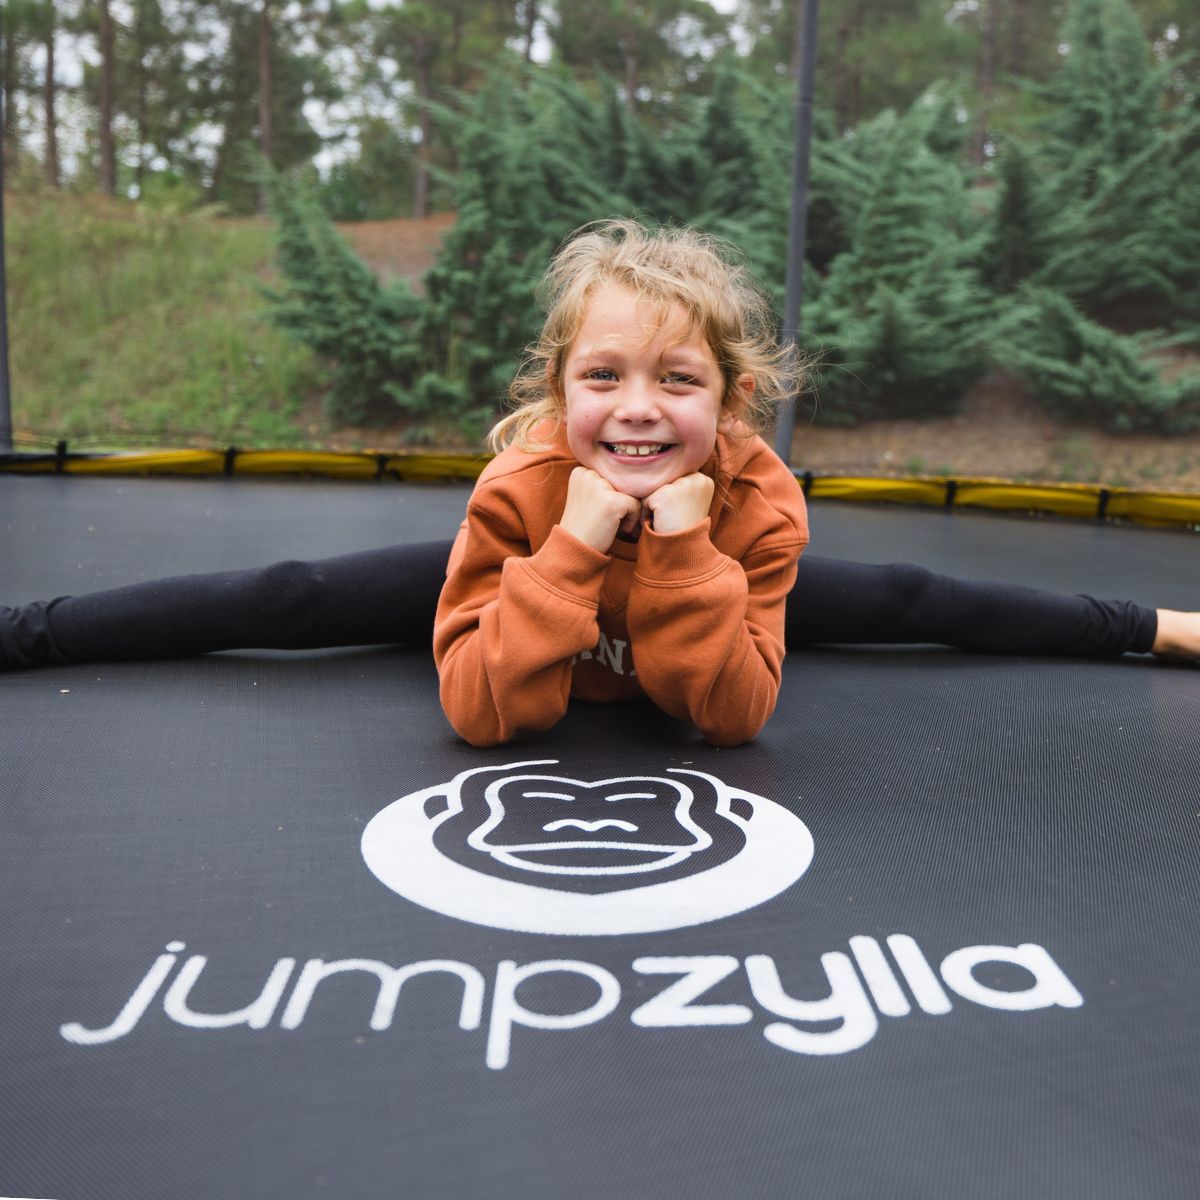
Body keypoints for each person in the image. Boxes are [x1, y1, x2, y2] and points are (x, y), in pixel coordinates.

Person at [2, 223, 1196, 728]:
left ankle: (1162, 626)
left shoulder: (757, 502)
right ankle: (29, 630)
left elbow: (727, 718)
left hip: (704, 580)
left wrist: (681, 549)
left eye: (679, 381)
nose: (636, 407)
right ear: (560, 390)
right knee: (294, 594)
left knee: (909, 601)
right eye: (605, 376)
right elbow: (477, 709)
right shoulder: (522, 488)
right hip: (544, 571)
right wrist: (569, 548)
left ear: (732, 407)